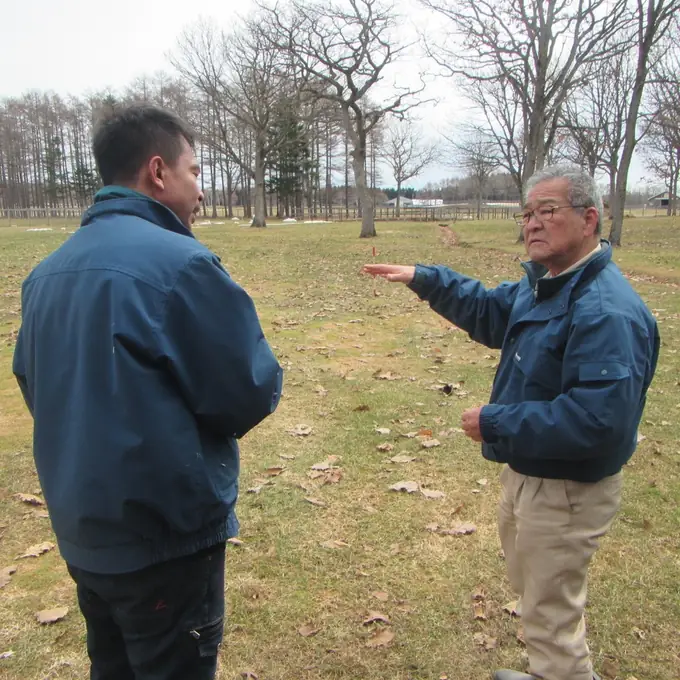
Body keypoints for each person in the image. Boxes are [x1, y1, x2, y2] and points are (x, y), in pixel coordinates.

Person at [13, 105, 283, 680]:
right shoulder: (183, 264)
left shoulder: (45, 274)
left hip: (85, 532)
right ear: (158, 172)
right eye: (196, 171)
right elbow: (248, 391)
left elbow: (37, 386)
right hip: (164, 539)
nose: (201, 191)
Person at [363, 165, 659, 680]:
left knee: (550, 615)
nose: (533, 224)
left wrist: (497, 421)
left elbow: (599, 421)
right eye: (527, 214)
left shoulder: (605, 310)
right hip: (531, 473)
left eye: (548, 211)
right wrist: (425, 278)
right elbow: (489, 308)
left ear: (589, 219)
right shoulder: (547, 283)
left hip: (568, 489)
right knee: (533, 592)